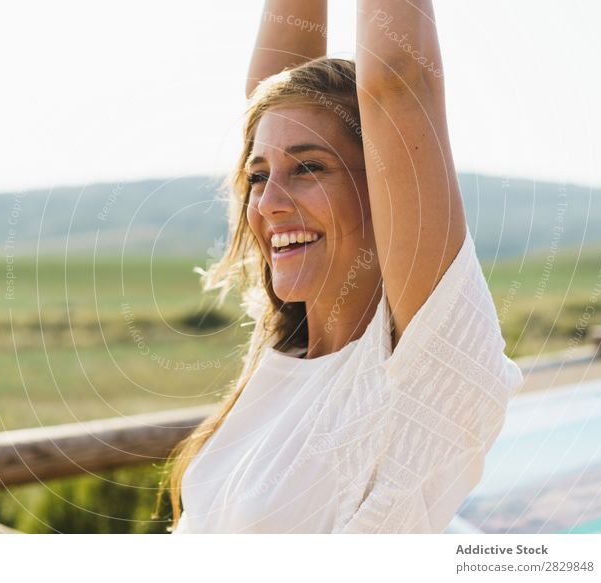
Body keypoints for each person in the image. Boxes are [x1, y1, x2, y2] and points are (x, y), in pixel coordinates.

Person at [158, 0, 523, 533]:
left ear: (383, 186)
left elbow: (398, 83)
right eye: (259, 175)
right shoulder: (285, 341)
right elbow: (272, 92)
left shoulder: (430, 372)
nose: (267, 203)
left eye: (309, 167)